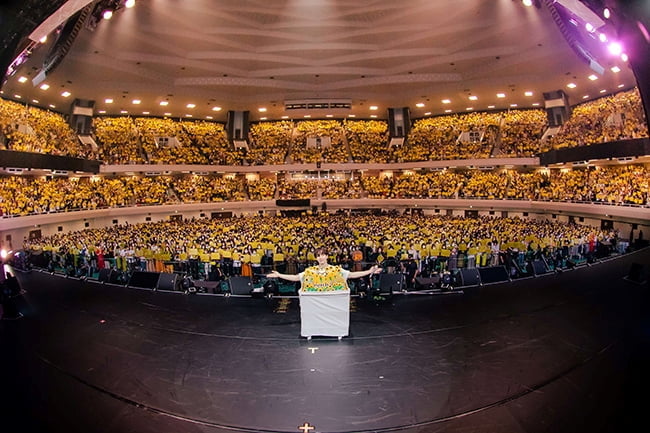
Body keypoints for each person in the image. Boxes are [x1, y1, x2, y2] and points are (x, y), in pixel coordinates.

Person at [266, 247, 381, 291]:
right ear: (316, 258)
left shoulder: (335, 269)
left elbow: (351, 275)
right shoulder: (310, 271)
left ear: (327, 256)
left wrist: (370, 271)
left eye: (323, 255)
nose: (321, 258)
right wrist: (279, 275)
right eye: (318, 255)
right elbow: (296, 278)